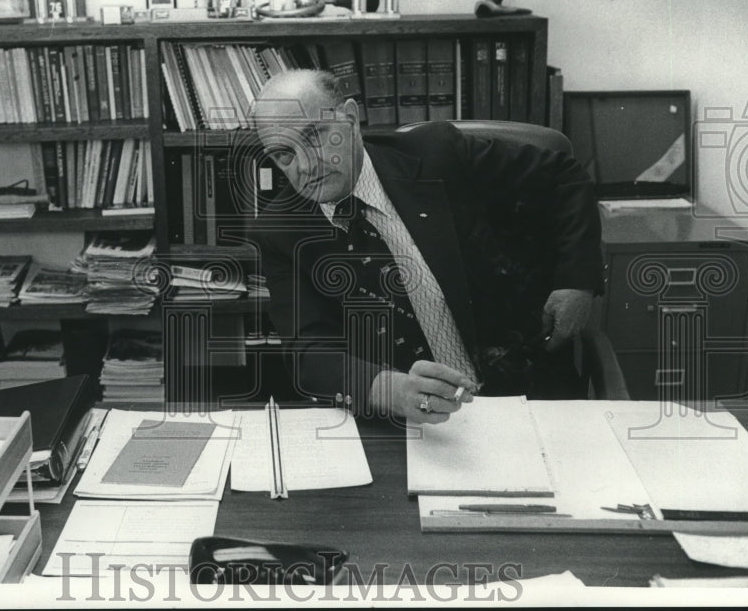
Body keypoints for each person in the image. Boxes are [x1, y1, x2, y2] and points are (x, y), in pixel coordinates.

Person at [248, 69, 603, 424]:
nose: (305, 165)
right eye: (284, 155)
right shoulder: (282, 230)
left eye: (315, 136)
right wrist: (387, 389)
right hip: (412, 423)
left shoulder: (437, 155)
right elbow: (309, 352)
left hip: (522, 394)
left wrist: (577, 280)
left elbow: (562, 178)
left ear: (351, 119)